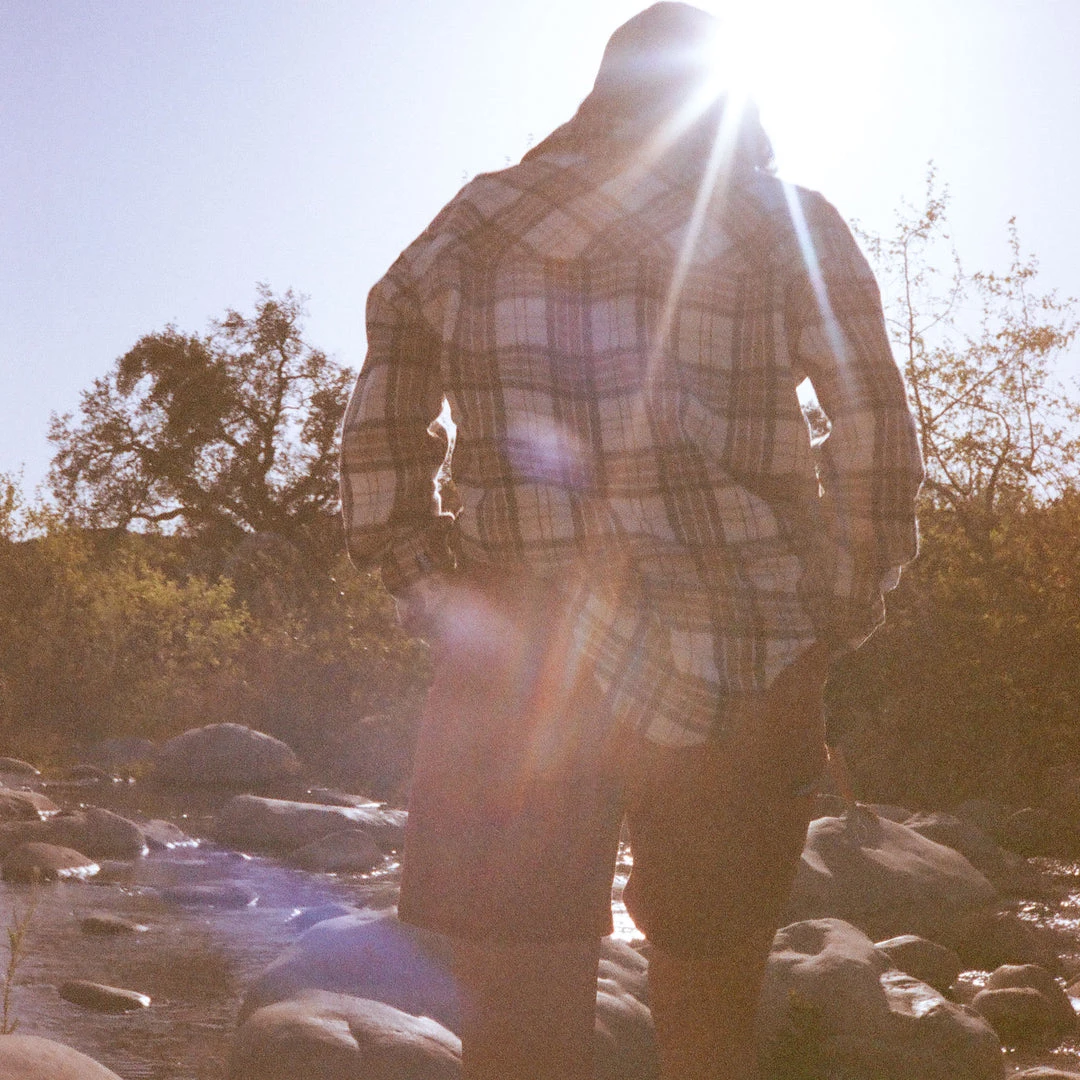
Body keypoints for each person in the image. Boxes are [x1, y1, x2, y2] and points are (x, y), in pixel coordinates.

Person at [339, 4, 924, 1078]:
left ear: (598, 97)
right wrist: (837, 605)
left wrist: (431, 585)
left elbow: (380, 425)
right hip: (745, 645)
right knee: (710, 1016)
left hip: (517, 661)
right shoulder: (785, 220)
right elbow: (875, 426)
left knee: (515, 1029)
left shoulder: (473, 222)